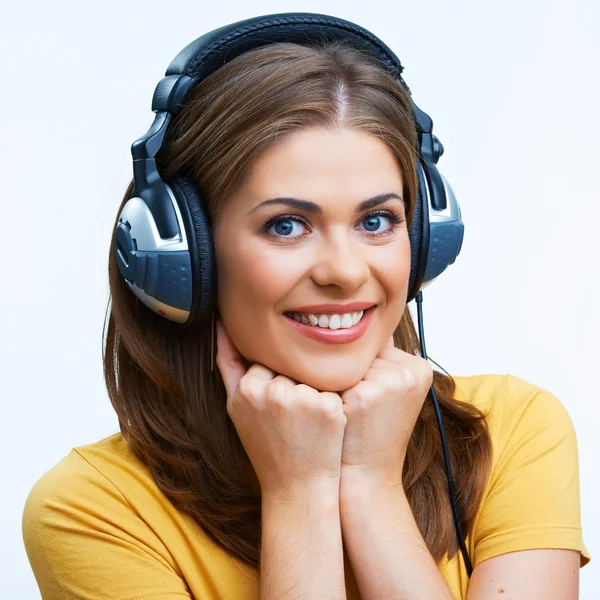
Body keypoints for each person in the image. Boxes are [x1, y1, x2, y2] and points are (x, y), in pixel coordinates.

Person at [22, 12, 590, 600]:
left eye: (377, 221)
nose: (345, 272)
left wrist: (371, 487)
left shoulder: (514, 431)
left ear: (424, 240)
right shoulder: (93, 510)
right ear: (183, 255)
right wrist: (299, 495)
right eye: (287, 225)